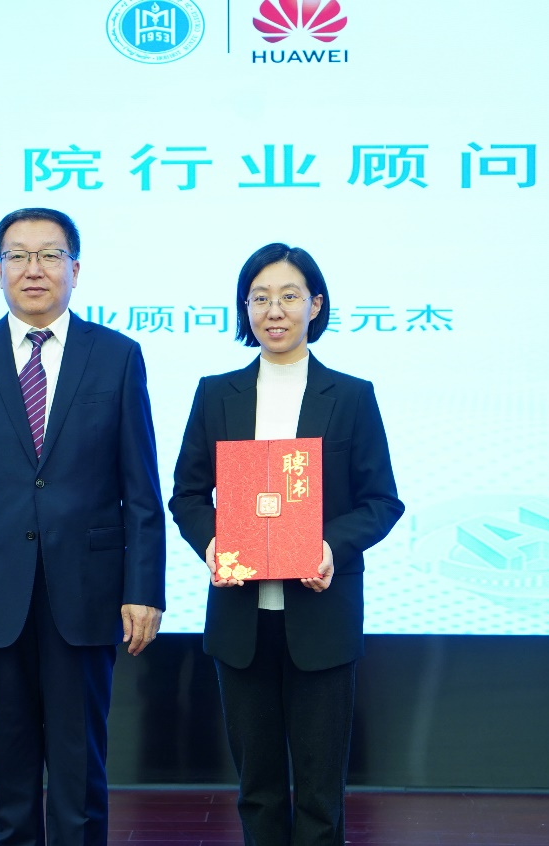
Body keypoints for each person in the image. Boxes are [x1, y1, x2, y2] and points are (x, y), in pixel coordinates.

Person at [0, 208, 166, 846]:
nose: (34, 269)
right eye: (18, 256)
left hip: (86, 591)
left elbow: (141, 487)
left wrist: (145, 589)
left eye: (50, 255)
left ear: (75, 269)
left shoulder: (116, 356)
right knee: (7, 770)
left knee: (81, 771)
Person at [169, 243, 404, 845]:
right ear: (244, 308)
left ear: (315, 305)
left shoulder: (350, 396)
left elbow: (382, 501)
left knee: (321, 795)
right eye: (260, 298)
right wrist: (214, 542)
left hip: (321, 616)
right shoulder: (215, 393)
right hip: (240, 621)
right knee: (258, 790)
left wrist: (329, 546)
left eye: (289, 296)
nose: (274, 310)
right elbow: (187, 495)